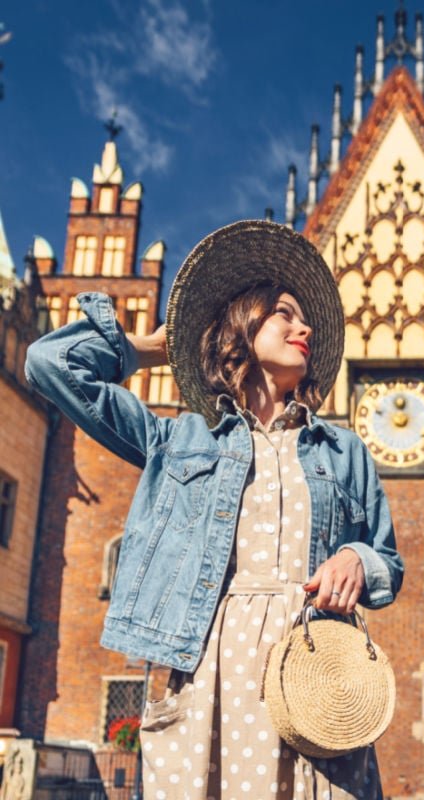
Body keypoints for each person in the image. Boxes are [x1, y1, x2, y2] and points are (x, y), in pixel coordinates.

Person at [25, 219, 404, 800]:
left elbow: (388, 564)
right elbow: (48, 365)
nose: (303, 327)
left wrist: (356, 559)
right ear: (240, 329)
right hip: (209, 666)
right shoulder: (179, 440)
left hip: (315, 670)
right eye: (283, 313)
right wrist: (150, 348)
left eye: (304, 318)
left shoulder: (343, 450)